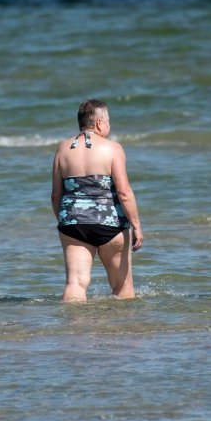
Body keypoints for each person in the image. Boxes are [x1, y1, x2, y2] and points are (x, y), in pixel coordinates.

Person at [51, 99, 144, 302]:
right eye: (109, 121)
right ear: (100, 123)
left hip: (73, 224)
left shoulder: (63, 149)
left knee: (75, 283)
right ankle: (116, 330)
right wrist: (136, 225)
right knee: (122, 286)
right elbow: (124, 192)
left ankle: (73, 328)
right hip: (110, 225)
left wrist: (66, 220)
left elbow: (56, 195)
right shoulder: (112, 148)